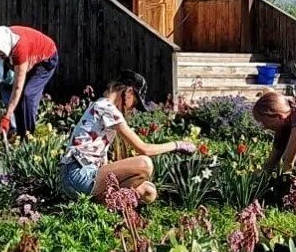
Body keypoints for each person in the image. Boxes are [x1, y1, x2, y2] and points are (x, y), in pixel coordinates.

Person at [60, 70, 196, 202]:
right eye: (135, 103)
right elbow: (144, 149)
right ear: (128, 92)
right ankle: (105, 202)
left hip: (85, 175)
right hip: (77, 175)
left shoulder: (102, 105)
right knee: (145, 164)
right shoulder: (106, 108)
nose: (133, 109)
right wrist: (177, 145)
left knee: (149, 191)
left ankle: (104, 201)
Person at [0, 25, 58, 138]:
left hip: (47, 59)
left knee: (28, 94)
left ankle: (29, 137)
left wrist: (7, 117)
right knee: (18, 98)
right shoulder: (3, 37)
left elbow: (18, 87)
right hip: (30, 56)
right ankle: (20, 135)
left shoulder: (19, 49)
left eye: (0, 54)